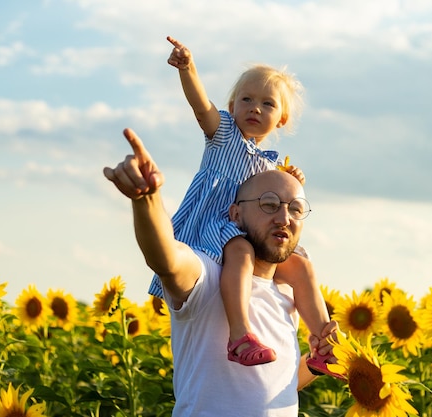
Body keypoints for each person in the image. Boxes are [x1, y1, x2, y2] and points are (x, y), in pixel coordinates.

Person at [103, 128, 341, 416]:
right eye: (269, 204)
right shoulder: (210, 277)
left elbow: (277, 385)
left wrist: (320, 359)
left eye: (296, 208)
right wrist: (147, 199)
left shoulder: (291, 293)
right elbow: (165, 257)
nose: (284, 218)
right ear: (235, 214)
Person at [145, 36, 336, 373]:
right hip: (212, 229)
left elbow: (277, 205)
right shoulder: (223, 136)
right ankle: (240, 335)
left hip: (246, 234)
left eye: (267, 104)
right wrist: (188, 68)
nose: (255, 108)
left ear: (281, 119)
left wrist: (293, 183)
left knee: (302, 266)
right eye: (246, 99)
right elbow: (200, 106)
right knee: (241, 252)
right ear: (232, 107)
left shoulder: (269, 166)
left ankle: (323, 342)